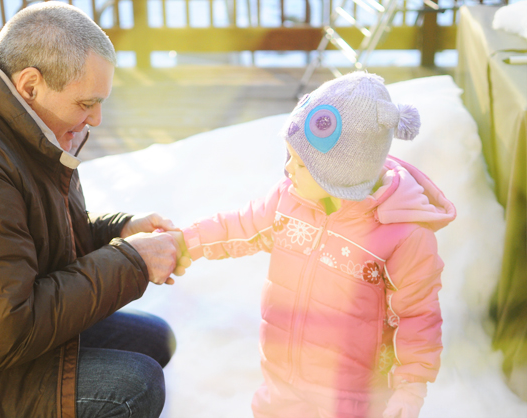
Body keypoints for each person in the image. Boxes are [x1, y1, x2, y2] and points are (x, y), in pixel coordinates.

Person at [0, 3, 190, 418]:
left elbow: (30, 236)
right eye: (87, 102)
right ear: (30, 85)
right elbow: (4, 333)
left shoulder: (13, 119)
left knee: (155, 339)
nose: (97, 119)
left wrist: (118, 231)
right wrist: (132, 261)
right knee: (134, 386)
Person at [178, 72, 456, 418]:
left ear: (339, 174)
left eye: (301, 163)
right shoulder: (289, 201)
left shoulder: (403, 235)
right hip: (281, 382)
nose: (288, 169)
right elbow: (241, 226)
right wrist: (184, 242)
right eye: (289, 155)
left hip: (354, 397)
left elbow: (417, 316)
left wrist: (411, 386)